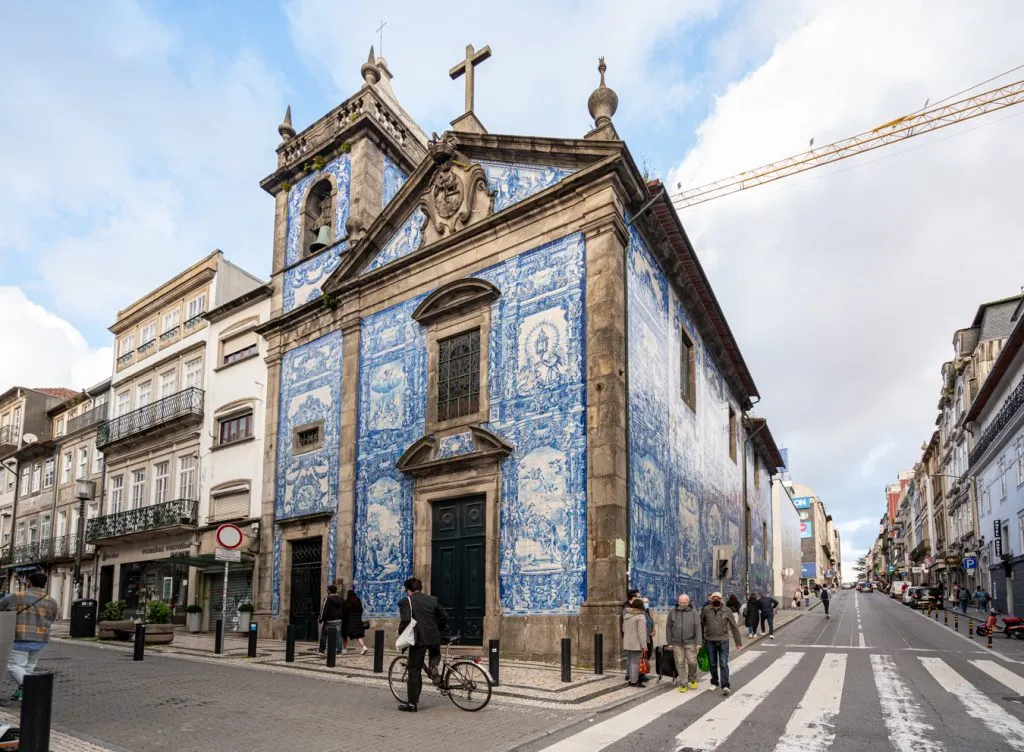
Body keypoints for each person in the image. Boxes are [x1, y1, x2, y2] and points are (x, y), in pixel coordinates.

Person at [0, 571, 59, 701]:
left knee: (14, 665)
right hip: (40, 638)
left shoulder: (16, 596)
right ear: (44, 584)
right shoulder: (52, 601)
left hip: (19, 636)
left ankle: (32, 688)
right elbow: (53, 618)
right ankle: (23, 694)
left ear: (29, 582)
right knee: (28, 667)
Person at [396, 577, 449, 712]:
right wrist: (437, 628)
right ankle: (434, 666)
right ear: (420, 588)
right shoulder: (432, 600)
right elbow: (444, 616)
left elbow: (406, 620)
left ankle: (412, 704)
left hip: (418, 639)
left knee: (414, 670)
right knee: (434, 654)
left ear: (408, 590)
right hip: (434, 636)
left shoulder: (406, 602)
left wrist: (401, 634)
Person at [700, 591, 742, 696]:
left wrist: (738, 642)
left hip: (723, 641)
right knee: (712, 664)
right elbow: (700, 625)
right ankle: (714, 681)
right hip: (710, 641)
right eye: (714, 598)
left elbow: (734, 626)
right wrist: (700, 641)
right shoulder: (706, 610)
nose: (716, 600)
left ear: (721, 599)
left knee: (723, 663)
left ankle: (725, 685)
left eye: (718, 598)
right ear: (711, 599)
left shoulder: (727, 610)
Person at [665, 594, 702, 692]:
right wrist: (669, 642)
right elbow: (668, 627)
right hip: (676, 643)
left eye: (684, 602)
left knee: (692, 662)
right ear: (678, 601)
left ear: (688, 602)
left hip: (691, 641)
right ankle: (683, 683)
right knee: (680, 663)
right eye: (680, 602)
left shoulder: (694, 613)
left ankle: (692, 679)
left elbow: (698, 627)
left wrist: (699, 642)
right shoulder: (672, 612)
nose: (682, 604)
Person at [622, 597, 649, 688]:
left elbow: (623, 629)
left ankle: (630, 679)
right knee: (635, 662)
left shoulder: (627, 616)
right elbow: (642, 632)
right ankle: (634, 681)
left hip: (628, 642)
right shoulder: (641, 617)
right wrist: (644, 646)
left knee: (631, 661)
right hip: (637, 643)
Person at [315, 584, 345, 655]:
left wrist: (321, 619)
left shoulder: (327, 598)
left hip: (329, 620)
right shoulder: (341, 599)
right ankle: (339, 650)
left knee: (324, 635)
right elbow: (344, 609)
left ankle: (322, 649)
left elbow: (324, 609)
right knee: (338, 636)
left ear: (329, 591)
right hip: (338, 620)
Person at [343, 589, 368, 655]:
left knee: (345, 635)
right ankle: (363, 647)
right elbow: (361, 610)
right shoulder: (358, 600)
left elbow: (345, 611)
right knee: (358, 635)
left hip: (350, 621)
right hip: (358, 620)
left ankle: (345, 649)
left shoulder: (348, 601)